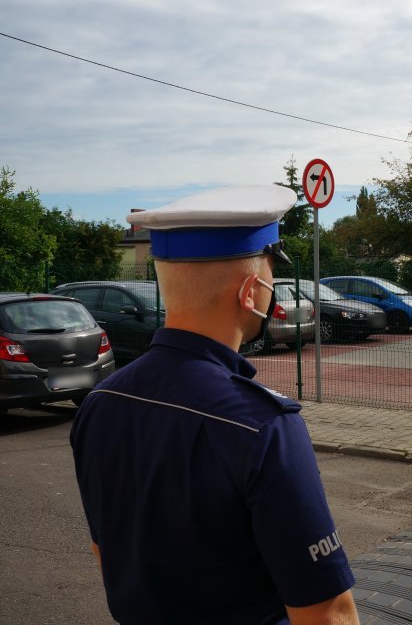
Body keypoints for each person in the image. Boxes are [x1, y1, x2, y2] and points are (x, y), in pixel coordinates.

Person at [70, 186, 359, 625]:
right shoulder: (262, 426)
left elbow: (104, 550)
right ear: (250, 292)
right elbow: (328, 613)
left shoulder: (99, 403)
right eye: (269, 276)